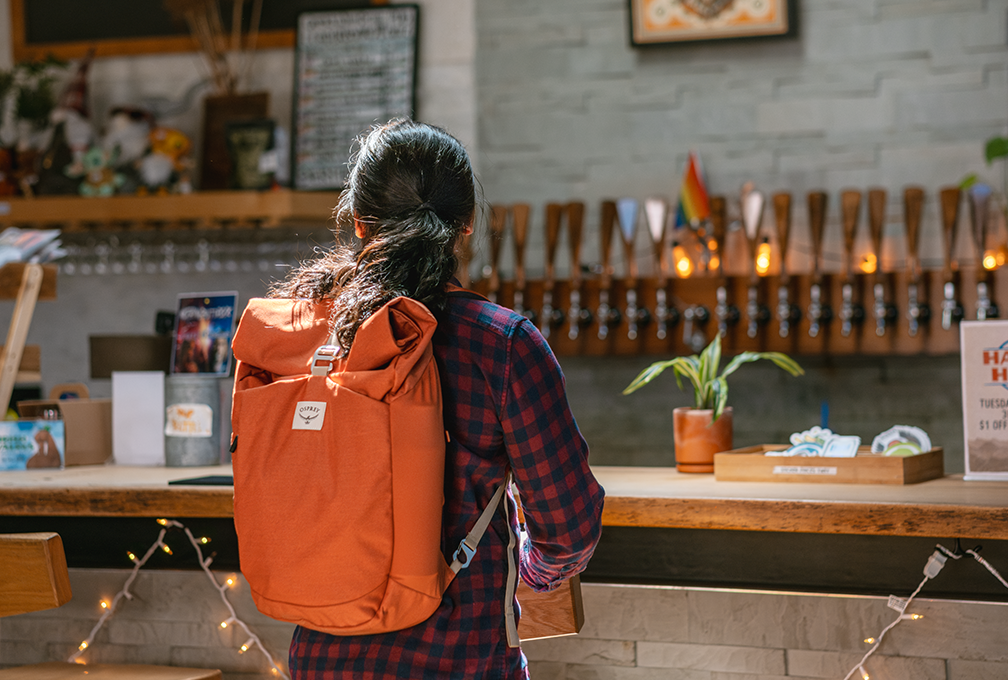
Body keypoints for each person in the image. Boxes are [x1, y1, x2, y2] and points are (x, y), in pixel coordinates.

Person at [270, 118, 605, 679]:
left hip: (321, 661)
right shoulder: (502, 343)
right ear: (467, 224)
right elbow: (567, 527)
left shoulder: (303, 337)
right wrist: (534, 572)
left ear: (357, 222)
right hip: (460, 659)